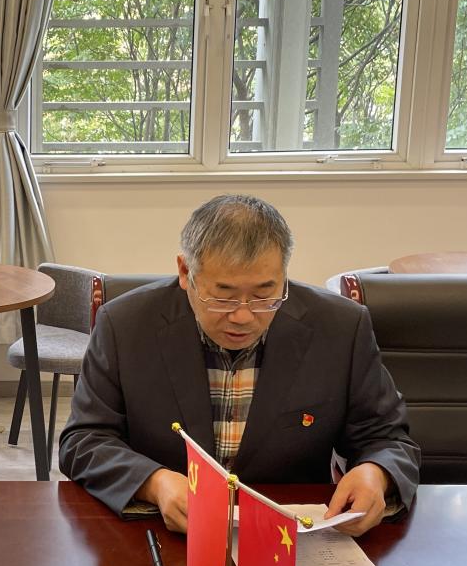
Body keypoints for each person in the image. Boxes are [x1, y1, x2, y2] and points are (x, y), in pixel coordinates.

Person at [59, 195, 419, 537]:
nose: (243, 316)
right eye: (223, 296)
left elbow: (387, 437)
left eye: (264, 294)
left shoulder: (340, 328)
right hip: (162, 535)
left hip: (289, 538)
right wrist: (154, 483)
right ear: (185, 272)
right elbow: (84, 440)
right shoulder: (124, 325)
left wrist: (376, 473)